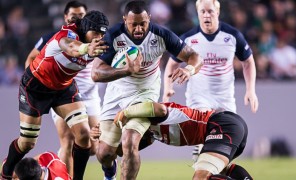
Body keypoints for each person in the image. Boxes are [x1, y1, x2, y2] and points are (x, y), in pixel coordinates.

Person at [91, 1, 202, 179]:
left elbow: (194, 57)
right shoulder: (113, 36)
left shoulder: (161, 34)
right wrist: (126, 70)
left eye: (143, 23)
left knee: (129, 141)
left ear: (149, 19)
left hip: (145, 94)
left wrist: (189, 69)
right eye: (133, 24)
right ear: (124, 20)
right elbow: (95, 73)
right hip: (116, 93)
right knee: (104, 154)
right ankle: (110, 172)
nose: (138, 29)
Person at [0, 10, 109, 180]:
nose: (99, 37)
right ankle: (5, 172)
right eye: (95, 33)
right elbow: (70, 47)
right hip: (36, 87)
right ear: (85, 29)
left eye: (102, 33)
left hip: (63, 88)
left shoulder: (98, 43)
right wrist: (87, 48)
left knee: (83, 135)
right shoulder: (67, 34)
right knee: (27, 143)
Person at [162, 0, 259, 161]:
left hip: (225, 96)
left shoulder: (232, 36)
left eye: (210, 11)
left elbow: (248, 61)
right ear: (198, 14)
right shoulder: (189, 38)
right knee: (203, 132)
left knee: (227, 138)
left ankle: (216, 168)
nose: (207, 15)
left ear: (218, 12)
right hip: (198, 95)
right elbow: (172, 63)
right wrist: (167, 88)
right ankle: (201, 156)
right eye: (203, 12)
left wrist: (251, 90)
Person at [24, 1, 102, 176]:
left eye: (81, 16)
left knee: (93, 146)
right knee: (67, 140)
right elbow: (31, 59)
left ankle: (54, 162)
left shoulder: (95, 38)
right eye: (73, 16)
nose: (77, 19)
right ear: (66, 17)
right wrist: (37, 83)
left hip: (90, 96)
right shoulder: (54, 37)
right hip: (62, 93)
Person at [112, 101, 253, 180]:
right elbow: (124, 150)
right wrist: (105, 143)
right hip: (226, 127)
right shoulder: (148, 133)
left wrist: (126, 112)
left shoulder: (152, 114)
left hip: (221, 125)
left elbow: (159, 109)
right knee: (222, 170)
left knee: (200, 178)